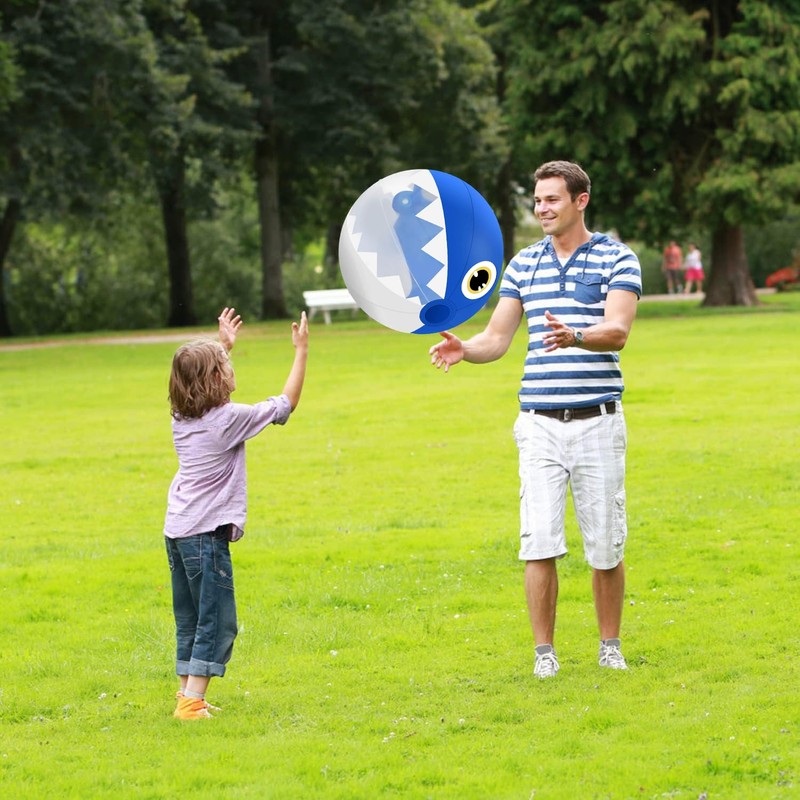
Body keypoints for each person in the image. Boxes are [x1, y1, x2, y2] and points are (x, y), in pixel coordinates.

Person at [429, 161, 641, 679]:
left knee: (605, 545)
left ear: (580, 201)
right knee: (539, 541)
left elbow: (618, 330)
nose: (542, 208)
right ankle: (544, 654)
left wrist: (576, 336)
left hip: (598, 420)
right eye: (538, 200)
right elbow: (497, 338)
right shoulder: (523, 264)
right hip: (539, 424)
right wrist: (465, 349)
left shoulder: (617, 258)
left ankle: (609, 646)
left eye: (552, 199)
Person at [165, 307, 309, 719]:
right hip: (204, 535)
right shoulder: (227, 421)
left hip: (177, 531)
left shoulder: (181, 416)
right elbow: (286, 404)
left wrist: (222, 345)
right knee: (216, 620)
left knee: (190, 617)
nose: (231, 368)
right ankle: (191, 705)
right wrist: (301, 351)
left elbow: (199, 379)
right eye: (225, 365)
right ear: (215, 379)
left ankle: (186, 694)